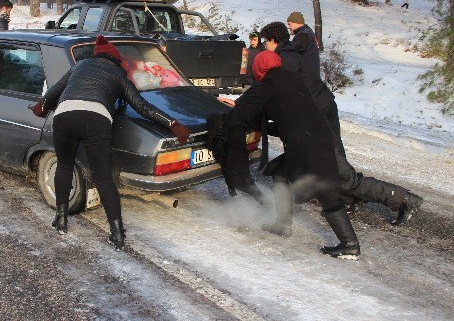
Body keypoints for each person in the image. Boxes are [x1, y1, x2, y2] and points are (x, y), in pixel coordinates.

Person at [30, 35, 191, 250]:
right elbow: (141, 106)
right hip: (96, 120)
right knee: (103, 177)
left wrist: (41, 107)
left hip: (64, 117)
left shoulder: (80, 66)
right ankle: (117, 233)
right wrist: (172, 123)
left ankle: (61, 218)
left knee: (64, 165)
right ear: (116, 59)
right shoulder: (119, 73)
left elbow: (54, 92)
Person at [259, 21, 422, 226]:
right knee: (335, 166)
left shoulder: (284, 60)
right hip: (325, 107)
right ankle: (347, 199)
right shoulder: (297, 51)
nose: (264, 46)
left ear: (273, 40)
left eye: (265, 42)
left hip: (315, 118)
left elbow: (282, 92)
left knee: (340, 172)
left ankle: (404, 200)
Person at [220, 50, 360, 259]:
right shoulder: (289, 78)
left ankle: (349, 244)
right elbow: (289, 115)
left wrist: (225, 124)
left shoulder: (271, 83)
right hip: (317, 137)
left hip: (307, 145)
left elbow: (247, 108)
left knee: (325, 191)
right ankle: (282, 224)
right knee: (280, 172)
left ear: (259, 68)